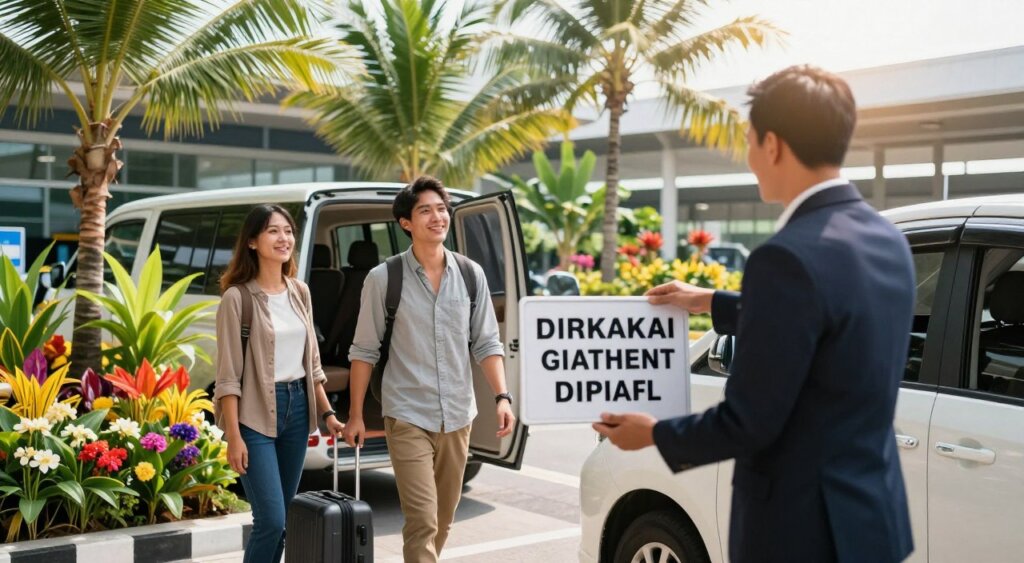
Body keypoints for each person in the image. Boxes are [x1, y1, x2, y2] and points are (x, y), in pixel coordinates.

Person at [593, 65, 916, 563]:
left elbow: (749, 422)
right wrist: (708, 301)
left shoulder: (784, 258)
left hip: (799, 534)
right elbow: (827, 323)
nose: (748, 157)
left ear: (773, 144)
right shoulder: (888, 241)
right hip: (873, 526)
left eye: (748, 141)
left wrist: (653, 434)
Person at [343, 176, 515, 563]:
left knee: (442, 518)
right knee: (422, 519)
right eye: (425, 210)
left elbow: (487, 343)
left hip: (458, 414)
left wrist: (502, 397)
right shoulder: (384, 278)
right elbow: (364, 351)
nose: (437, 217)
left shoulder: (472, 275)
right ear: (406, 223)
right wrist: (355, 414)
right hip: (406, 413)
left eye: (441, 208)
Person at [213, 204, 344, 563]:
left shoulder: (300, 292)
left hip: (298, 411)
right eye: (273, 231)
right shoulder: (236, 298)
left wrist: (328, 414)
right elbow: (227, 378)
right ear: (252, 242)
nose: (283, 238)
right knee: (269, 520)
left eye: (287, 231)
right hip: (254, 416)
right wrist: (234, 437)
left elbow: (312, 365)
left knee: (284, 519)